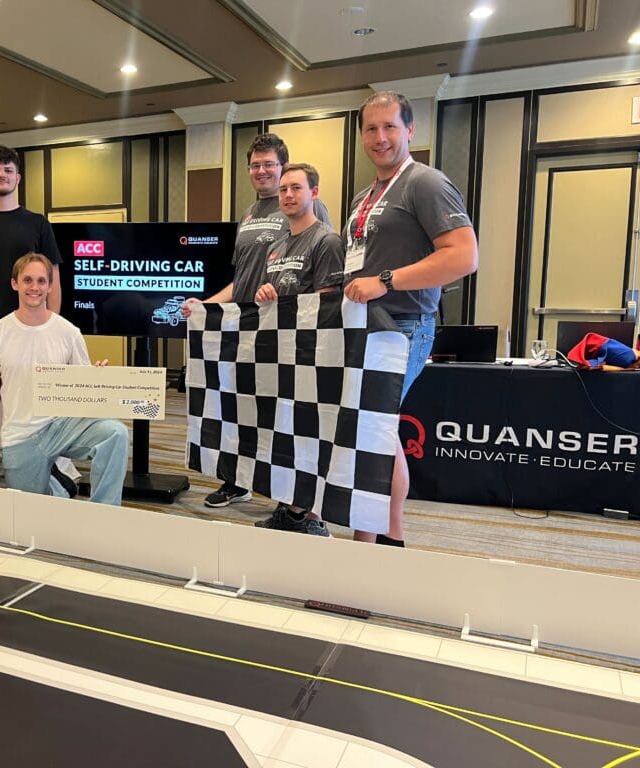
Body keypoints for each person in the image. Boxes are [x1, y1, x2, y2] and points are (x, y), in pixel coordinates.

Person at [343, 91, 478, 547]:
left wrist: (386, 280)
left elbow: (464, 256)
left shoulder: (425, 183)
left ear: (410, 130)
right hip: (365, 326)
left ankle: (380, 541)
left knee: (375, 431)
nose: (379, 137)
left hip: (403, 326)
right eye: (371, 128)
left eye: (390, 127)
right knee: (374, 431)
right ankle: (380, 537)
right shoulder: (365, 196)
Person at [182, 133, 332, 509]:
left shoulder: (306, 210)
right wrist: (207, 305)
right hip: (242, 321)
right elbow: (242, 278)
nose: (261, 171)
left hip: (283, 326)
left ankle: (289, 494)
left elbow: (319, 274)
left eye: (269, 164)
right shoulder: (248, 215)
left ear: (283, 167)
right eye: (255, 165)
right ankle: (237, 481)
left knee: (281, 409)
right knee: (239, 404)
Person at [0, 144, 77, 496]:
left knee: (42, 396)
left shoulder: (37, 223)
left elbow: (53, 277)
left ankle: (45, 464)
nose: (1, 175)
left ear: (18, 177)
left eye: (8, 170)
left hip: (33, 328)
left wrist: (53, 325)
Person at [0, 254, 129, 506]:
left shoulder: (68, 332)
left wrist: (98, 376)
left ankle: (104, 512)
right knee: (31, 514)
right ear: (15, 283)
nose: (34, 287)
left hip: (61, 427)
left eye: (41, 281)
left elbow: (83, 388)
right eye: (27, 280)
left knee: (116, 433)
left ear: (49, 286)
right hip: (20, 437)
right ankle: (59, 486)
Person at [253, 162, 344, 536]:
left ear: (314, 193)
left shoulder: (327, 241)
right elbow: (271, 296)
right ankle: (289, 507)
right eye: (284, 189)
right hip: (281, 352)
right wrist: (265, 294)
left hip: (312, 354)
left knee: (311, 431)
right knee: (284, 430)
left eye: (296, 188)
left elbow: (328, 303)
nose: (288, 195)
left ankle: (312, 517)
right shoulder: (275, 247)